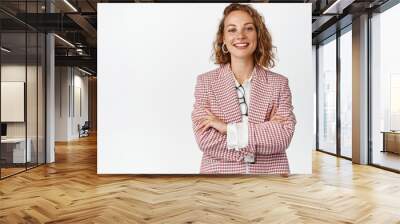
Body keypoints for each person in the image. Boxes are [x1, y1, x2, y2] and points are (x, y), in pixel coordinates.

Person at [191, 3, 296, 175]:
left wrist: (227, 129)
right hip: (220, 181)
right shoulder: (206, 82)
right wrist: (261, 137)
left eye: (248, 28)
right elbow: (205, 140)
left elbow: (283, 136)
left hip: (270, 179)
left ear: (258, 35)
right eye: (232, 30)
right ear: (223, 38)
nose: (240, 35)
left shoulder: (279, 84)